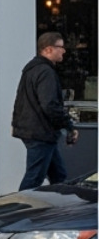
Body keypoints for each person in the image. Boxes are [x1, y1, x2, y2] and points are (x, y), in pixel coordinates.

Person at [12, 32, 79, 190]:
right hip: (40, 132)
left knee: (58, 175)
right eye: (60, 47)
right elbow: (49, 105)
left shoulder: (31, 70)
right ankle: (18, 211)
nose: (64, 51)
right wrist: (69, 126)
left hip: (35, 131)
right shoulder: (45, 72)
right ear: (48, 49)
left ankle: (58, 210)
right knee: (34, 178)